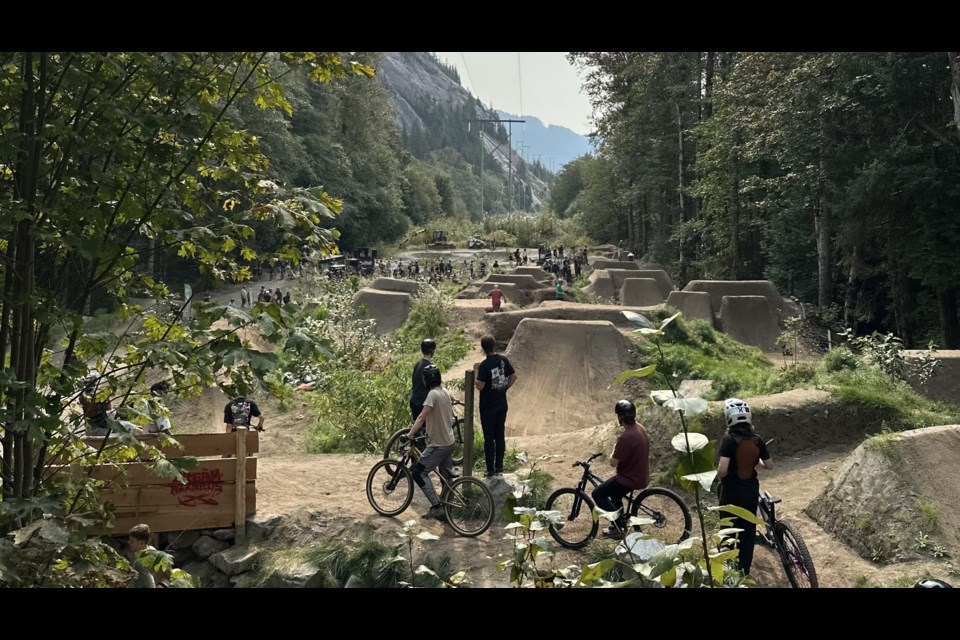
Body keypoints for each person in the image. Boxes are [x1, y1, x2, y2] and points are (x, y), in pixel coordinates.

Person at [716, 397, 773, 577]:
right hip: (750, 492)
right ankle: (744, 572)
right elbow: (769, 465)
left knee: (728, 529)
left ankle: (727, 570)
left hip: (731, 493)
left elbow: (723, 470)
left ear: (728, 418)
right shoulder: (758, 440)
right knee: (748, 532)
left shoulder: (728, 440)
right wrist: (758, 461)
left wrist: (721, 473)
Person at [401, 364, 455, 520]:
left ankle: (437, 507)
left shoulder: (432, 394)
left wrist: (409, 435)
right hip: (449, 442)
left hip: (438, 445)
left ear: (425, 380)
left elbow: (421, 417)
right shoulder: (444, 392)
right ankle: (447, 510)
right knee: (446, 477)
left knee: (418, 473)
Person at [592, 400, 650, 539]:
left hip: (629, 479)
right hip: (642, 475)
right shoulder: (640, 428)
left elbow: (612, 462)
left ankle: (618, 528)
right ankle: (620, 523)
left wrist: (614, 449)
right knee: (615, 494)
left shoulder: (625, 437)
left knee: (598, 494)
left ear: (621, 417)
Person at [472, 335, 517, 478]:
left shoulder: (484, 366)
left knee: (489, 438)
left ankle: (490, 469)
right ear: (495, 345)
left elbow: (480, 386)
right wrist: (503, 389)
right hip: (502, 404)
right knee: (500, 436)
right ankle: (500, 467)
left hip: (488, 407)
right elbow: (514, 376)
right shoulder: (503, 360)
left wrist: (476, 372)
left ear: (483, 348)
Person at [409, 339, 436, 451]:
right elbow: (434, 387)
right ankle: (421, 457)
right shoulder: (430, 367)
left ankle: (414, 456)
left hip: (414, 400)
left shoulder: (417, 364)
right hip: (423, 402)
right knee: (424, 431)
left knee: (417, 430)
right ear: (432, 350)